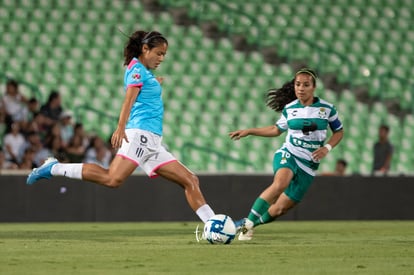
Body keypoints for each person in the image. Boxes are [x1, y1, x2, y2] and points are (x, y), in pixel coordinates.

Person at [27, 30, 215, 223]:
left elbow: (143, 93)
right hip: (139, 134)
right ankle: (54, 168)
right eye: (159, 53)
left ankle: (214, 224)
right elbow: (129, 100)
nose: (162, 58)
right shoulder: (137, 70)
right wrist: (120, 127)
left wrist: (154, 83)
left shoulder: (144, 73)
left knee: (190, 180)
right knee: (112, 179)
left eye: (164, 55)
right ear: (145, 48)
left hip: (152, 141)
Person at [229, 68, 344, 240]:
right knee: (280, 183)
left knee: (279, 209)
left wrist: (326, 148)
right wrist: (249, 131)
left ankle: (250, 223)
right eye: (298, 84)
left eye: (306, 85)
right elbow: (276, 130)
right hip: (289, 153)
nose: (301, 88)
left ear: (313, 87)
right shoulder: (290, 108)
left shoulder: (327, 109)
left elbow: (339, 132)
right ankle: (246, 227)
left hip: (309, 165)